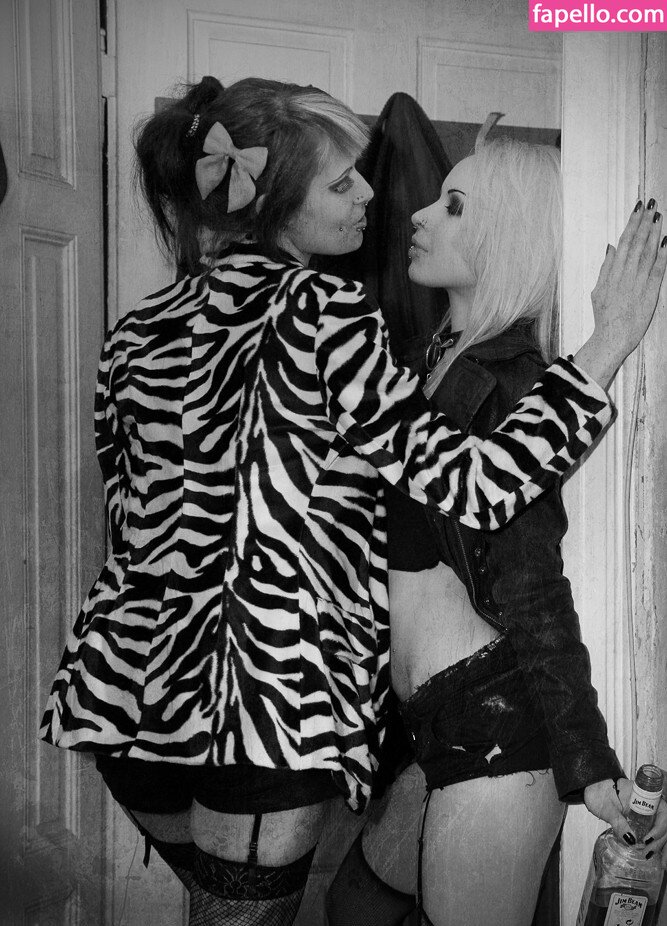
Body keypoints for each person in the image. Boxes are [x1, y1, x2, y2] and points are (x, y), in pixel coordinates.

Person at [39, 76, 666, 926]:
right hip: (262, 703)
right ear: (275, 204)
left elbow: (128, 511)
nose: (372, 194)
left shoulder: (135, 329)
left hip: (124, 698)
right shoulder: (327, 314)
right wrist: (604, 347)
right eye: (340, 183)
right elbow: (478, 486)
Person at [325, 138, 667, 926]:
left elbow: (531, 582)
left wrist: (586, 762)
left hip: (494, 728)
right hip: (431, 728)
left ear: (505, 234)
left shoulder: (512, 379)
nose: (417, 215)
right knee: (353, 906)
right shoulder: (429, 362)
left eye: (452, 206)